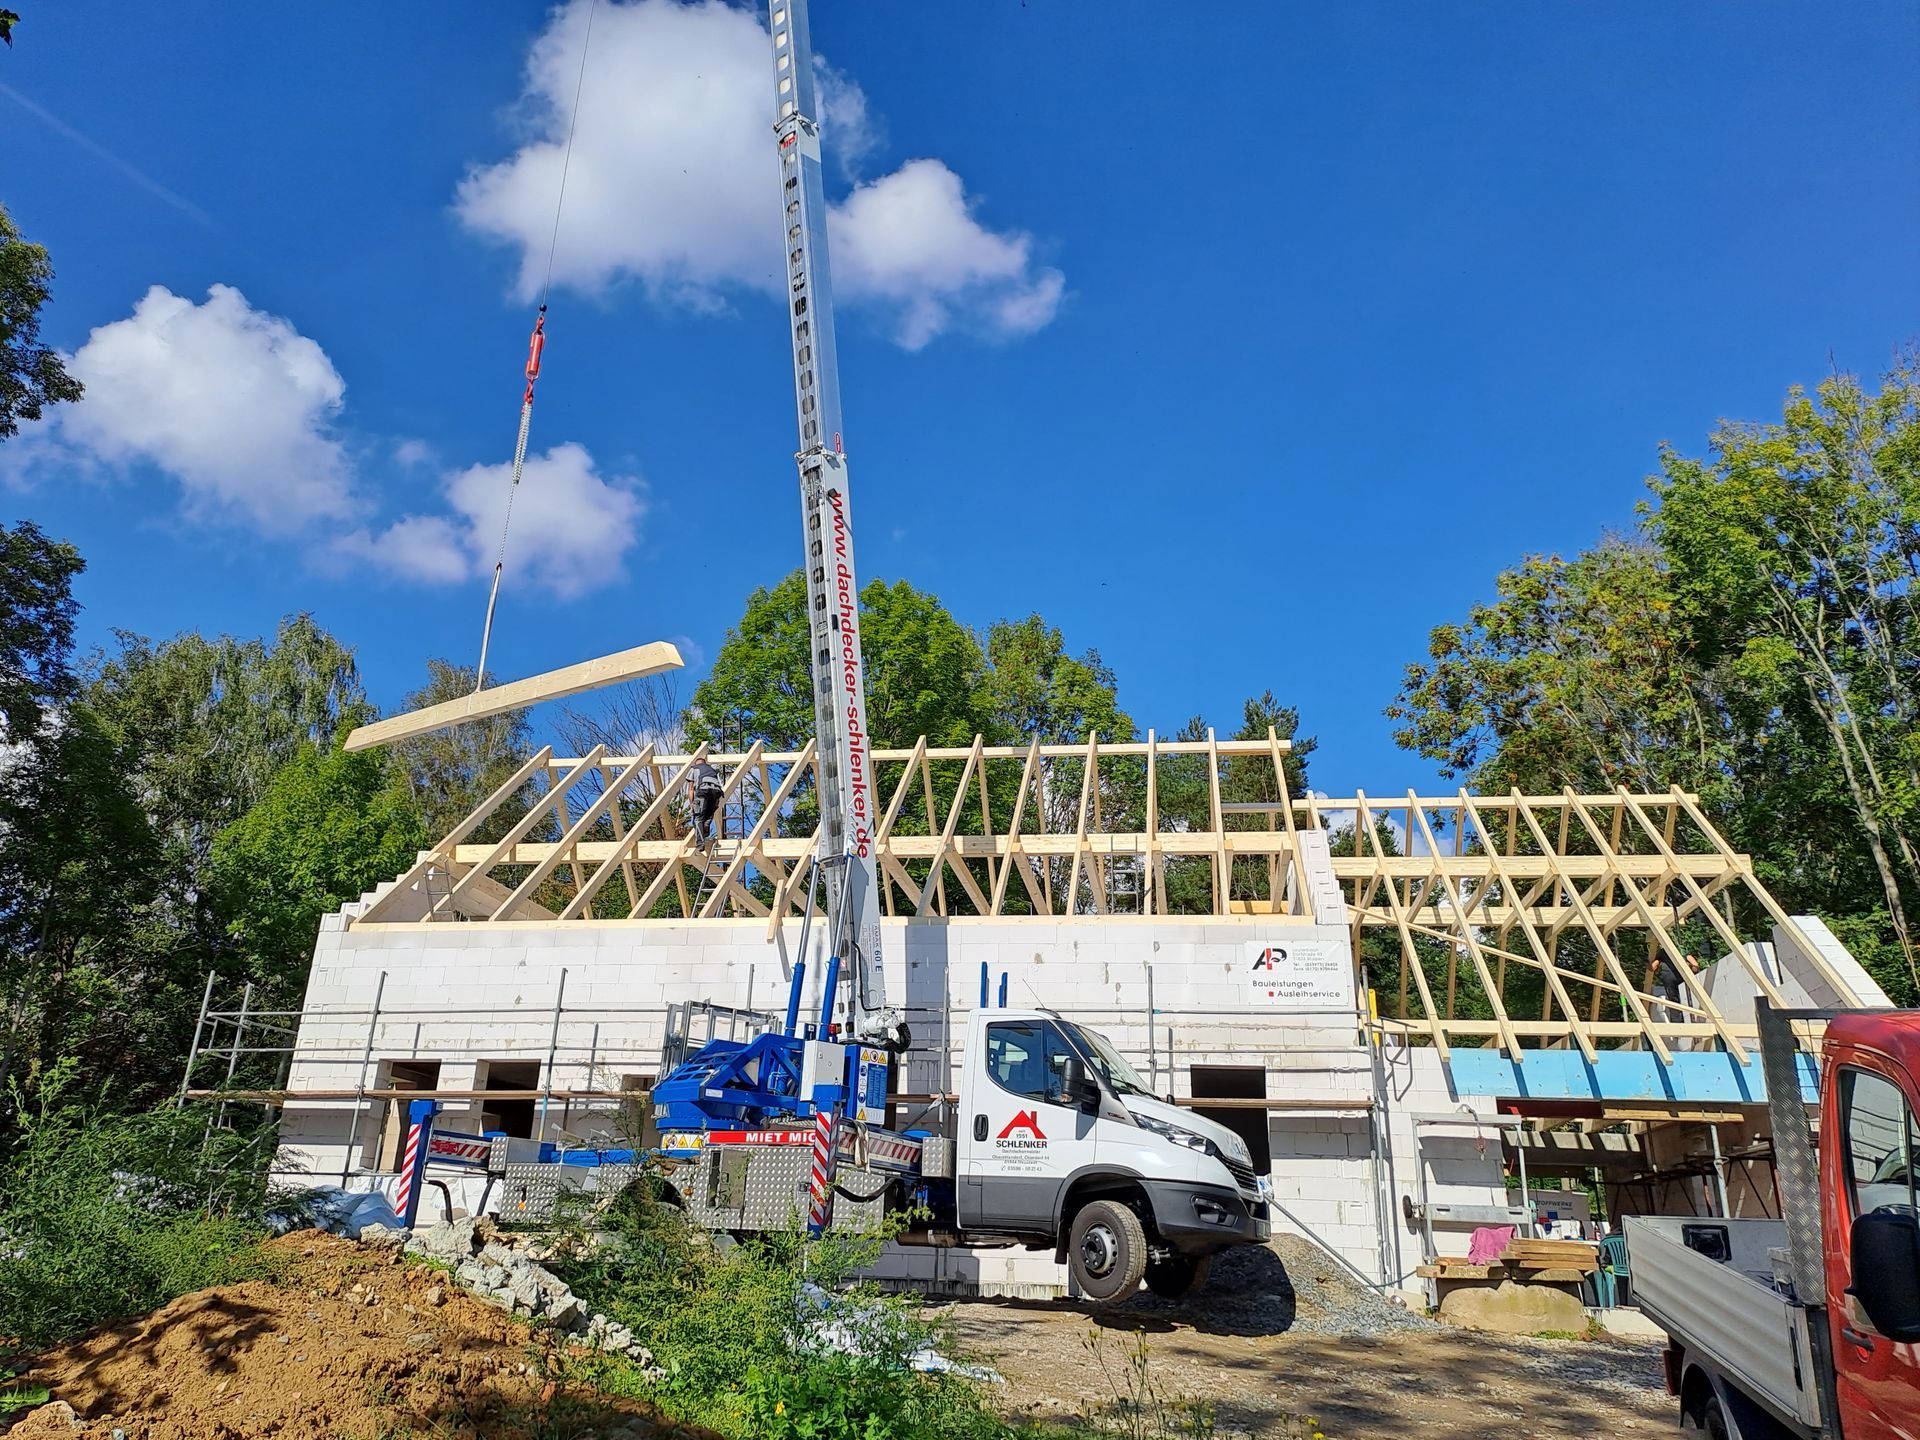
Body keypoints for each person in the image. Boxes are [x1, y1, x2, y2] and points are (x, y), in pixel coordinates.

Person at [686, 760, 724, 846]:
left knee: (698, 817)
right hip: (716, 792)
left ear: (696, 763)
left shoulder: (694, 768)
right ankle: (706, 825)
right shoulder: (712, 770)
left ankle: (700, 843)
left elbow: (691, 789)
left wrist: (692, 804)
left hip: (703, 791)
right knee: (709, 813)